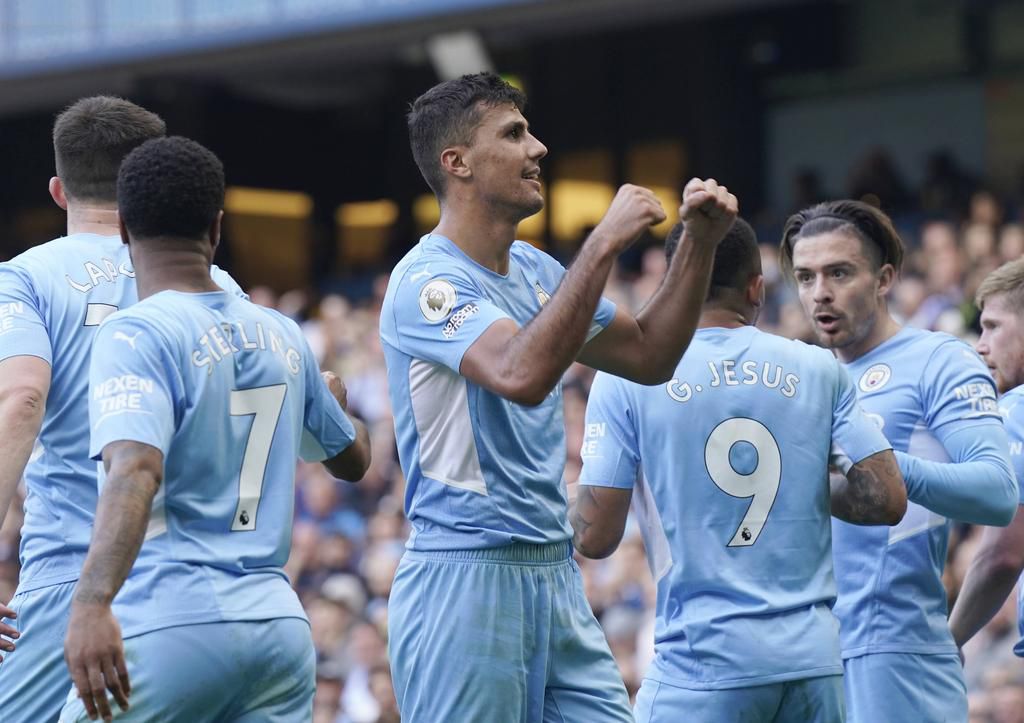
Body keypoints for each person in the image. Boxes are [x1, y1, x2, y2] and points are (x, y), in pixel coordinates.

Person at [380, 72, 737, 722]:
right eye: (514, 134)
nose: (537, 147)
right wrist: (601, 243)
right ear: (457, 162)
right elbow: (519, 373)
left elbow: (650, 354)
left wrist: (700, 248)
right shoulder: (425, 282)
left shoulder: (537, 270)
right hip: (465, 576)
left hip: (554, 572)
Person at [59, 136, 372, 722]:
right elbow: (354, 460)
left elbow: (136, 467)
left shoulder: (135, 333)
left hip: (170, 620)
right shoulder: (283, 333)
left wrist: (91, 604)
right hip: (278, 629)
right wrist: (337, 407)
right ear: (217, 228)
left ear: (123, 228)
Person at [571, 217, 907, 722]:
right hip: (813, 666)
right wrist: (801, 483)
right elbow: (887, 497)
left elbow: (594, 536)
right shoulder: (819, 367)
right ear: (756, 289)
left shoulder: (626, 378)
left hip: (701, 664)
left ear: (670, 284)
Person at [0, 97, 245, 723]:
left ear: (59, 191)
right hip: (203, 585)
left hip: (74, 573)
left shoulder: (23, 278)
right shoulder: (221, 287)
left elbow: (21, 397)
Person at [782, 200, 1018, 722]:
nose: (819, 292)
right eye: (805, 277)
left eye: (839, 273)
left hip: (893, 651)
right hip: (804, 654)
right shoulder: (802, 376)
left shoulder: (938, 359)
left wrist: (879, 467)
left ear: (884, 278)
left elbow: (998, 492)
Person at [947, 258, 1024, 656]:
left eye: (993, 326)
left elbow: (1001, 557)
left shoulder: (1018, 409)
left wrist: (947, 643)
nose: (980, 344)